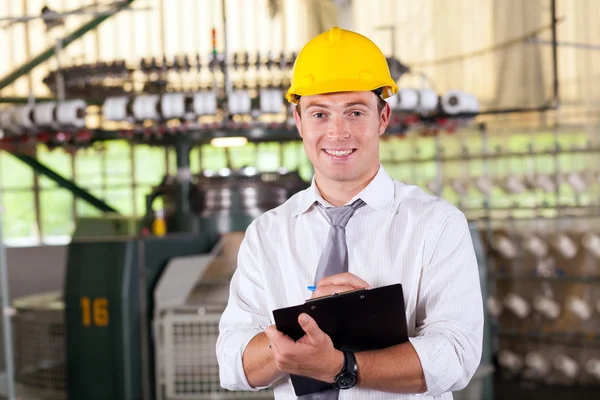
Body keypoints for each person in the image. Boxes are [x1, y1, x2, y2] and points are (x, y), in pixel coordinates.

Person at [216, 26, 484, 399]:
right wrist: (304, 329)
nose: (337, 132)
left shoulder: (436, 225)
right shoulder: (267, 233)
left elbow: (457, 355)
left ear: (383, 117)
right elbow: (232, 360)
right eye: (320, 114)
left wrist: (341, 367)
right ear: (299, 122)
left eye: (355, 112)